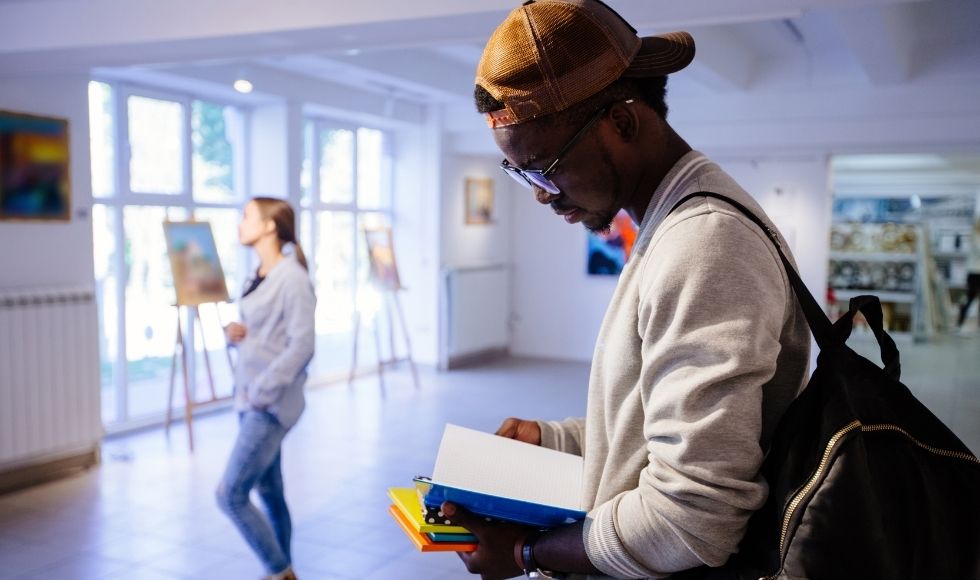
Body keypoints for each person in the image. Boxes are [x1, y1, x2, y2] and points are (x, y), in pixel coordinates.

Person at [441, 1, 811, 578]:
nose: (540, 193)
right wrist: (554, 439)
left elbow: (692, 517)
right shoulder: (675, 224)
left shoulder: (702, 244)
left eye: (546, 165)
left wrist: (524, 553)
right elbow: (659, 433)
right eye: (522, 173)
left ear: (622, 123)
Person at [216, 197, 316, 580]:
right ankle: (283, 565)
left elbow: (302, 345)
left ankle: (280, 572)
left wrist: (262, 389)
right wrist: (233, 333)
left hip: (268, 405)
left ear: (270, 226)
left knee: (230, 494)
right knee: (270, 494)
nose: (240, 224)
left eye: (246, 217)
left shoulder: (292, 278)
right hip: (249, 398)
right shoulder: (258, 272)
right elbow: (260, 334)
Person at [958, 217, 980, 330]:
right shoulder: (975, 237)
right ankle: (960, 324)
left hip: (976, 272)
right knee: (969, 299)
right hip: (974, 273)